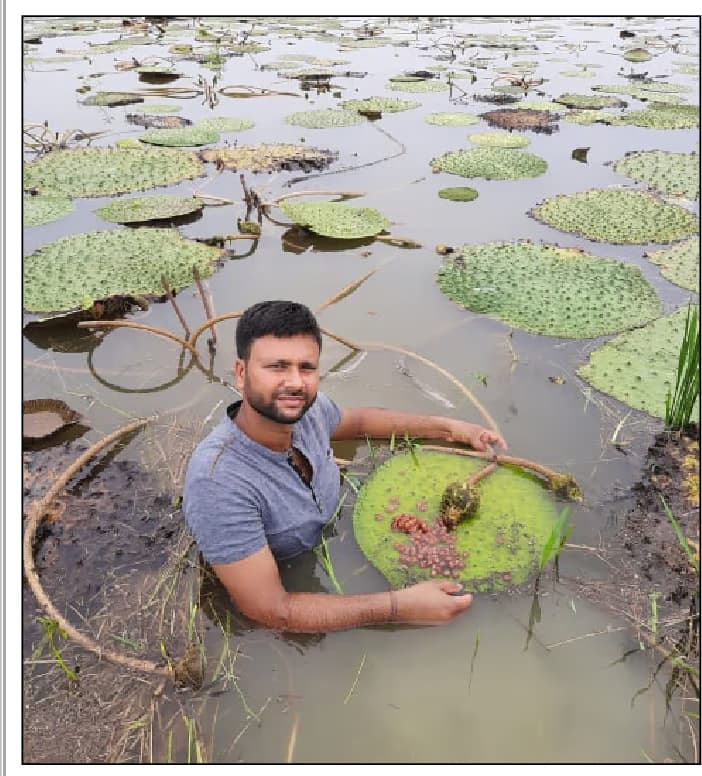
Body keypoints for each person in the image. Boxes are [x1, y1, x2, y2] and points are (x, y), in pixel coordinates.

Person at [183, 300, 507, 633]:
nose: (295, 382)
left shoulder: (307, 411)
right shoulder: (218, 483)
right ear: (241, 372)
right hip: (284, 571)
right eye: (277, 367)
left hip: (329, 535)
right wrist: (398, 606)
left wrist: (448, 429)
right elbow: (271, 610)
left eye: (306, 367)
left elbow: (361, 422)